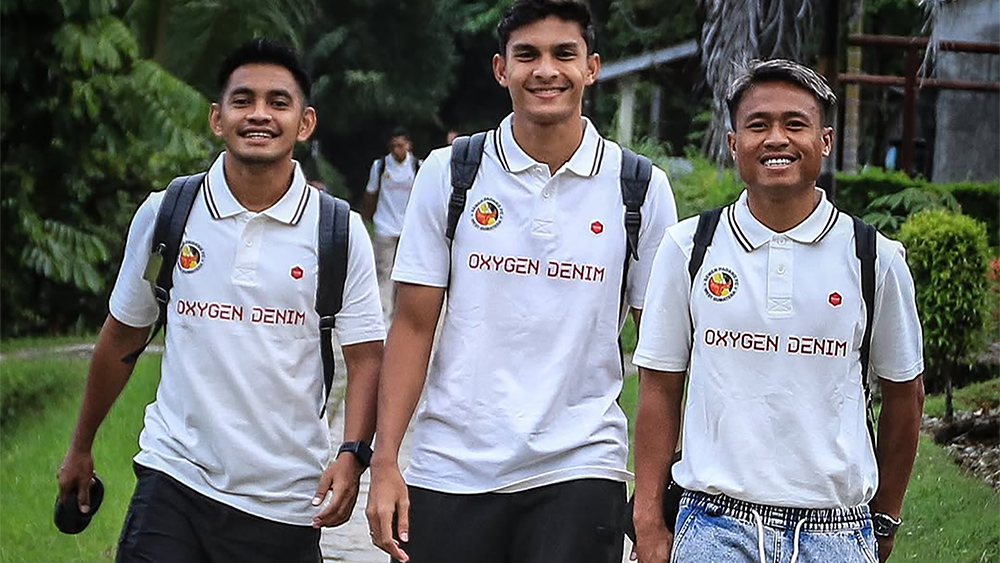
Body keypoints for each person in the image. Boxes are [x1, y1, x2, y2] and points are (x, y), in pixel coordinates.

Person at [365, 1, 678, 562]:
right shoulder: (450, 173)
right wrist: (384, 461)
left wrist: (652, 503)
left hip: (581, 464)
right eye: (527, 55)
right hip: (451, 466)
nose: (546, 70)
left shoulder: (639, 188)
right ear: (501, 69)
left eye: (564, 54)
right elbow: (412, 326)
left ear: (591, 67)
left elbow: (661, 360)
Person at [57, 38, 385, 562]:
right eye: (243, 100)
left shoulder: (338, 232)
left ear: (305, 123)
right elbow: (123, 336)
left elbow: (366, 358)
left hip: (284, 502)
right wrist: (80, 446)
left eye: (278, 102)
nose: (259, 114)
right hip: (173, 478)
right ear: (217, 118)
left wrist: (353, 454)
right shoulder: (169, 213)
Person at [631, 59, 924, 563]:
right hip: (713, 526)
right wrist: (648, 520)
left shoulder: (874, 258)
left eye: (794, 124)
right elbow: (659, 389)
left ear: (824, 141)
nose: (776, 139)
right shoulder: (689, 248)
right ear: (733, 143)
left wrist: (885, 517)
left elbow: (906, 397)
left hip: (836, 532)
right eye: (758, 125)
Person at [363, 127, 420, 322]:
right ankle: (382, 318)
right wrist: (367, 219)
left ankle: (398, 318)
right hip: (385, 226)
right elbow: (371, 194)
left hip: (408, 230)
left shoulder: (417, 167)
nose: (397, 150)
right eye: (394, 146)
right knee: (384, 274)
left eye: (401, 145)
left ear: (408, 145)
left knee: (403, 276)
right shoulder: (380, 166)